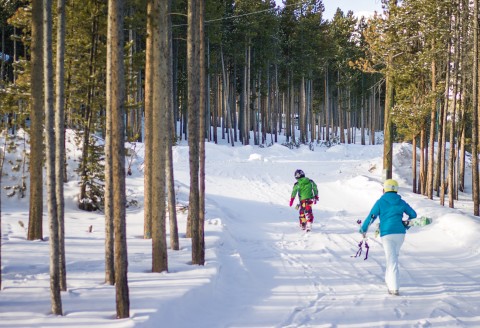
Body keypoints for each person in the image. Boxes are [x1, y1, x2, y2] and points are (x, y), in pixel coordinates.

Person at [359, 179, 417, 296]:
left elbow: (371, 217)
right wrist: (406, 224)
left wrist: (363, 229)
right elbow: (413, 215)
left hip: (387, 234)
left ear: (384, 189)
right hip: (400, 234)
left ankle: (394, 288)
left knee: (392, 261)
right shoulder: (401, 202)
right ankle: (388, 280)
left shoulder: (380, 202)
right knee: (392, 257)